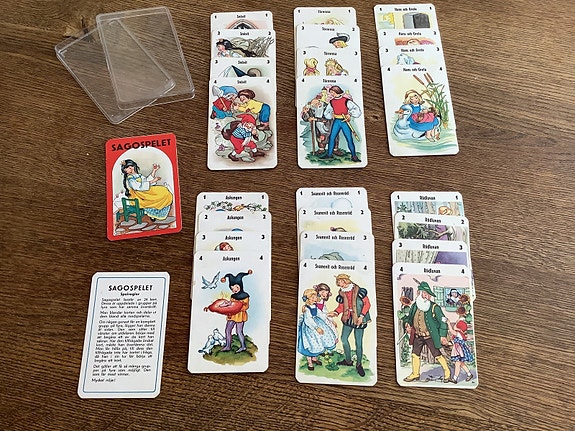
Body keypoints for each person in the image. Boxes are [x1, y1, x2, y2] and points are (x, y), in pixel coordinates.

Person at [402, 280, 452, 383]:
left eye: (428, 294)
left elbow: (443, 321)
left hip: (430, 336)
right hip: (418, 336)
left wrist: (442, 335)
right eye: (424, 293)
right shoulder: (415, 306)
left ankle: (447, 372)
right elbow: (409, 318)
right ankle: (415, 374)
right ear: (419, 293)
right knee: (415, 354)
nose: (426, 296)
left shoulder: (435, 307)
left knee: (437, 354)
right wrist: (407, 324)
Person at [327, 274, 371, 377]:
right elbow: (341, 306)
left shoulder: (359, 290)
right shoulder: (342, 292)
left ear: (346, 280)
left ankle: (359, 364)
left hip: (359, 318)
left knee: (358, 342)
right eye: (338, 283)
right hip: (348, 318)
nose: (340, 284)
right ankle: (348, 361)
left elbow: (367, 304)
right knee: (344, 339)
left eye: (341, 282)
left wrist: (361, 316)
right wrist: (336, 312)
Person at [297, 288, 338, 370]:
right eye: (312, 297)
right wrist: (316, 328)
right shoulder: (307, 309)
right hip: (310, 328)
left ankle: (314, 358)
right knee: (311, 343)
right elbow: (308, 320)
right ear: (308, 299)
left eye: (315, 297)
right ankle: (310, 362)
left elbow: (321, 314)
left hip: (318, 323)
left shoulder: (315, 306)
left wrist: (328, 315)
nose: (315, 299)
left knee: (318, 341)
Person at [321, 85, 362, 162]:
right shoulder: (332, 102)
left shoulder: (346, 101)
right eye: (331, 92)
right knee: (332, 138)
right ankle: (329, 155)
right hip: (336, 121)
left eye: (332, 92)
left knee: (349, 139)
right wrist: (331, 115)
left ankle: (354, 156)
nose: (331, 94)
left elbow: (357, 110)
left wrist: (349, 114)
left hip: (344, 121)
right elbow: (327, 112)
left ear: (337, 91)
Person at [219, 271, 252, 353]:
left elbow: (246, 306)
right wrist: (227, 307)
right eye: (232, 288)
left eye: (236, 287)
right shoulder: (233, 296)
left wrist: (237, 307)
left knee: (239, 331)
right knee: (227, 330)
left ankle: (243, 346)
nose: (234, 290)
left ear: (240, 286)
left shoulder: (245, 296)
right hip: (232, 315)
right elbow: (231, 305)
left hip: (240, 316)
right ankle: (228, 346)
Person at [448, 307, 475, 383]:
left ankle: (455, 379)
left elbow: (451, 331)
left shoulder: (459, 333)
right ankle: (469, 374)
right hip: (459, 348)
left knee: (457, 363)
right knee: (461, 363)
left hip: (459, 349)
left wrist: (448, 323)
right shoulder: (461, 329)